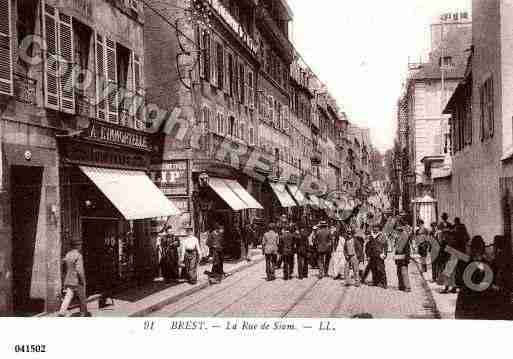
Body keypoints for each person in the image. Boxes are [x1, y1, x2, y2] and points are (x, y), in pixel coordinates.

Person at [455, 236, 503, 320]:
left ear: (471, 248)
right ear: (483, 249)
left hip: (466, 300)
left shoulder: (463, 262)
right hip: (482, 301)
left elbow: (457, 281)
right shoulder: (489, 264)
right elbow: (493, 283)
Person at [58, 242, 89, 317]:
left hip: (69, 278)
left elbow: (63, 265)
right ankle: (84, 313)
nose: (80, 246)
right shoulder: (78, 256)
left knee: (68, 296)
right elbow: (79, 270)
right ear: (77, 246)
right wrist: (83, 280)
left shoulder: (68, 255)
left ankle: (62, 312)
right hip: (77, 280)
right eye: (79, 245)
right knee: (82, 297)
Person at [395, 218, 412, 292]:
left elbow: (407, 249)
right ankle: (401, 285)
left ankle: (407, 287)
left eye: (399, 229)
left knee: (404, 271)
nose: (398, 231)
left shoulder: (405, 236)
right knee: (399, 271)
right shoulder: (398, 237)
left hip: (404, 257)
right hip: (399, 256)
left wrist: (407, 258)